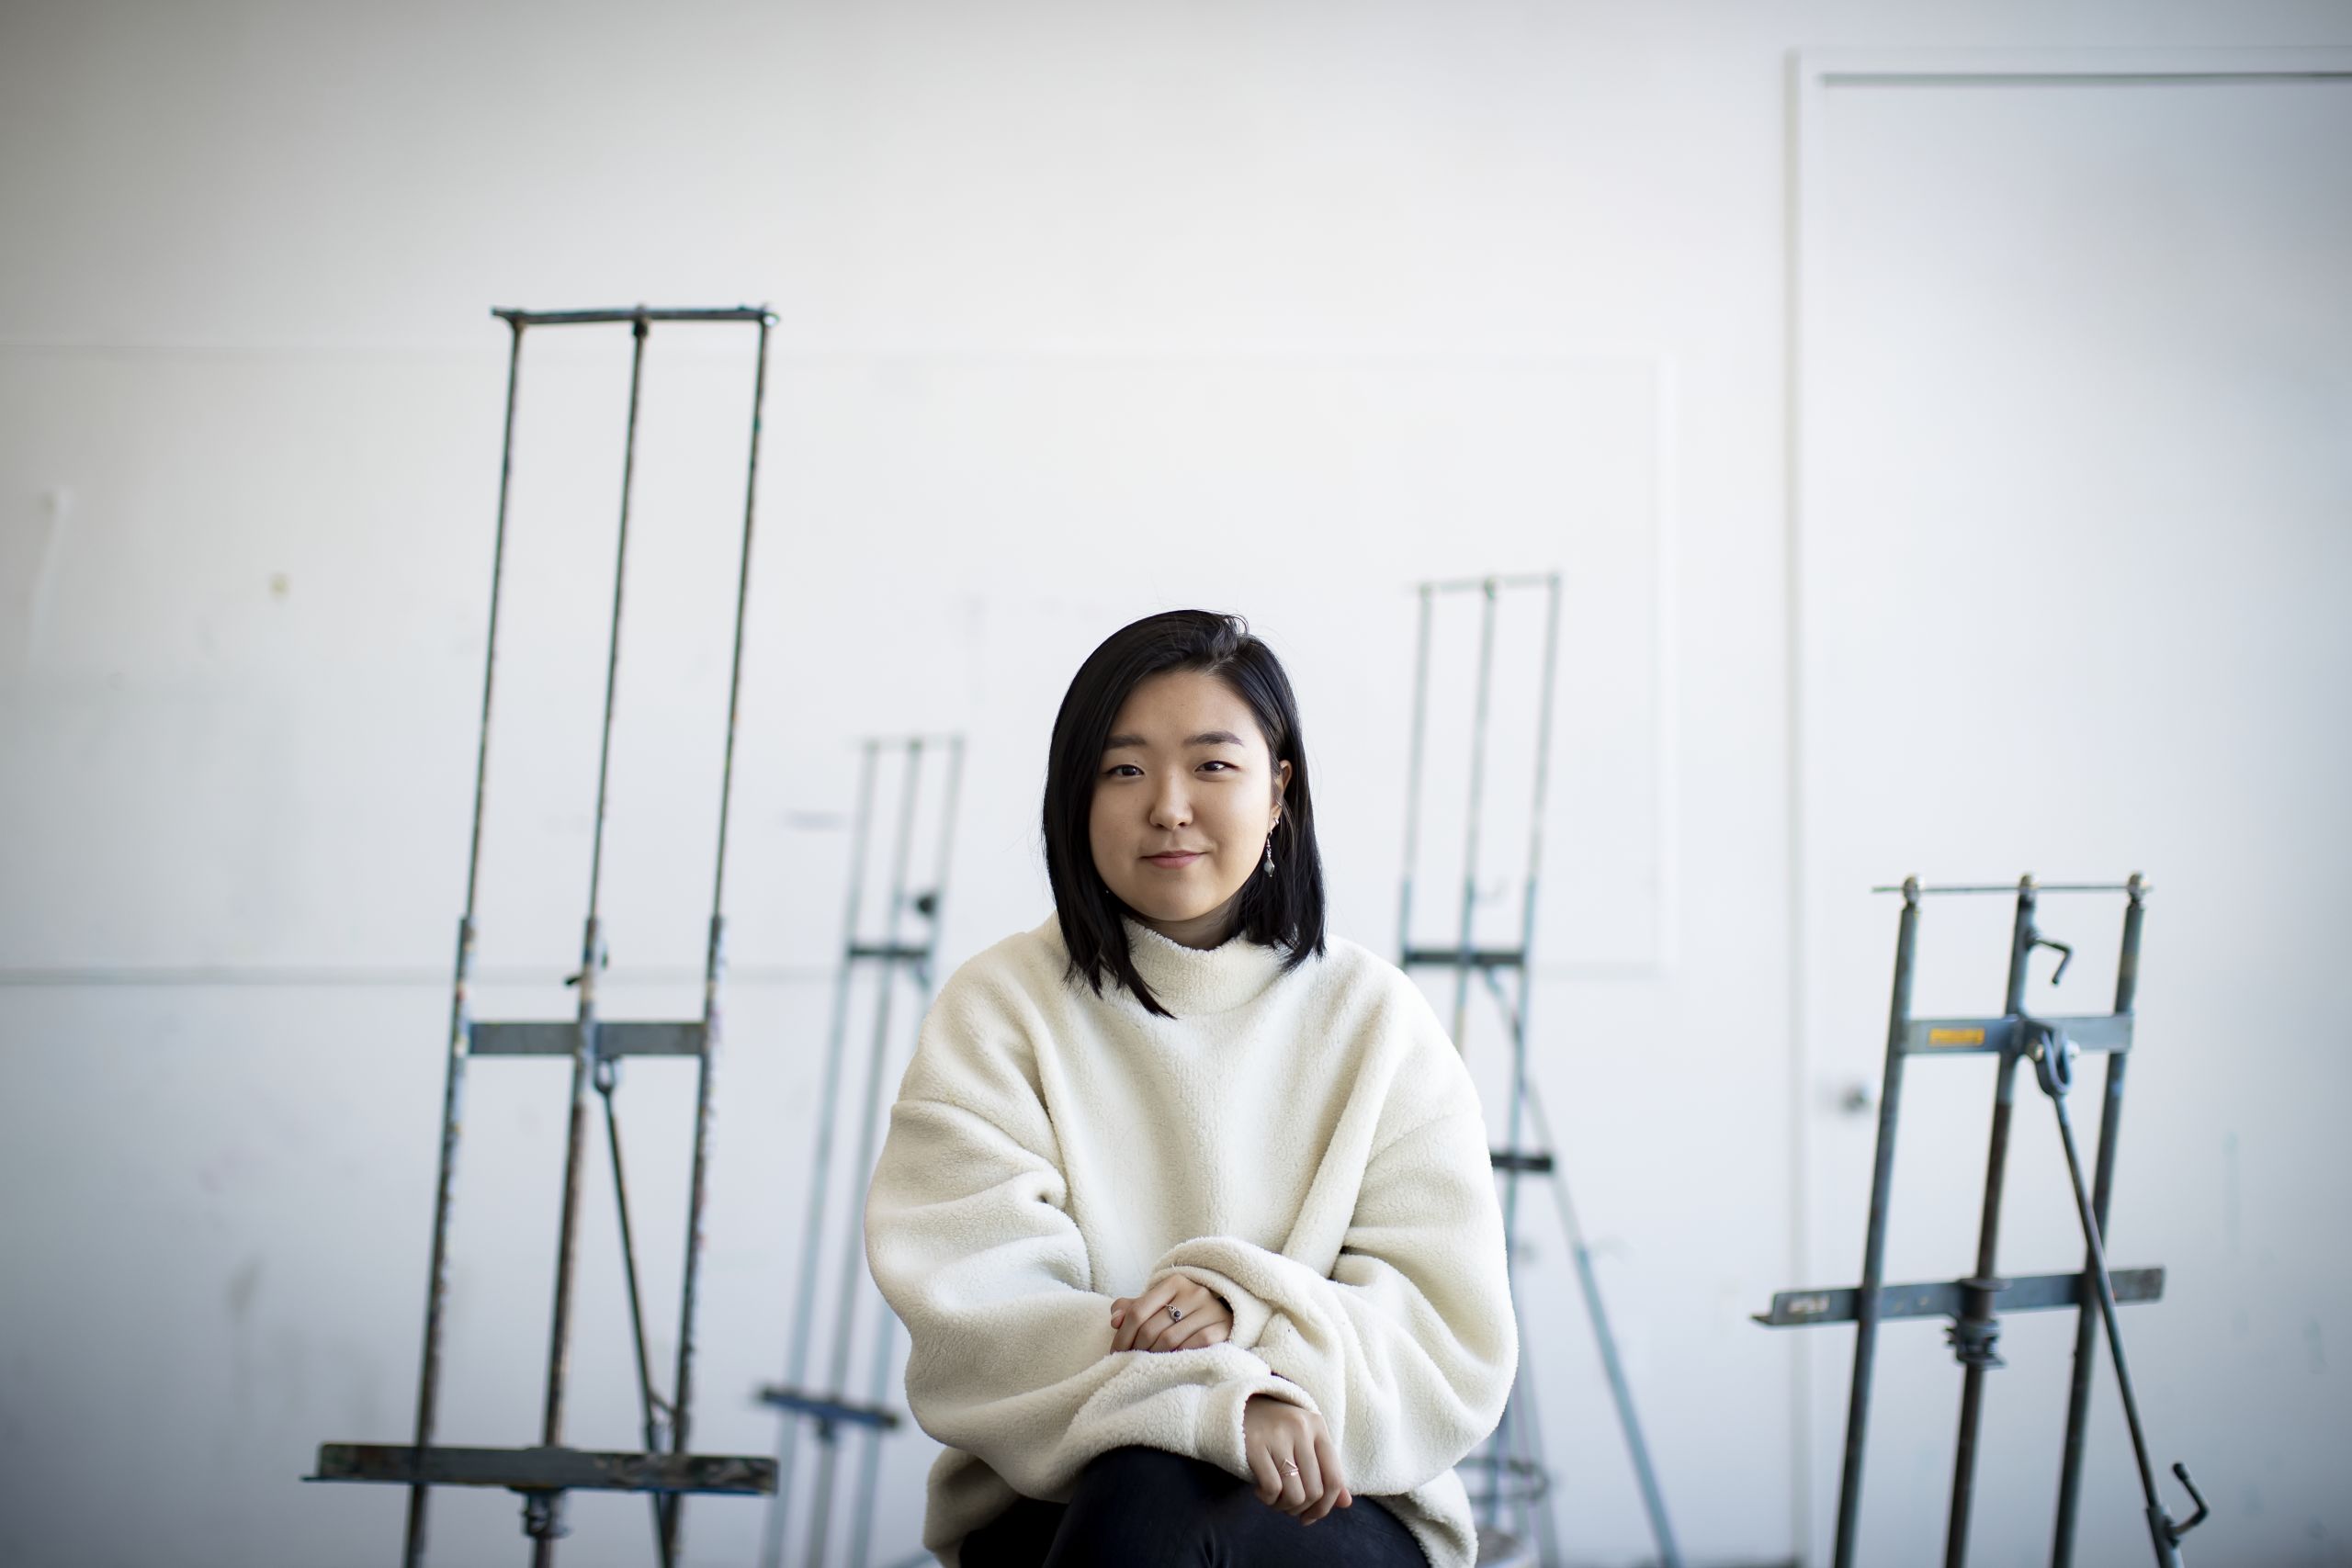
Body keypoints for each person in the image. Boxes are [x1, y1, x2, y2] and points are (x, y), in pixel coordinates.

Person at [864, 609, 1518, 1567]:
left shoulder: (1377, 1019)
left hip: (1335, 1488)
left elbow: (1445, 1336)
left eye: (1212, 765)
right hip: (1060, 1494)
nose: (1168, 805)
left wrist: (1244, 1312)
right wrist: (1212, 1404)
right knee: (1147, 1482)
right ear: (1075, 797)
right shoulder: (998, 1008)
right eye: (1123, 770)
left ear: (1279, 791)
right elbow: (975, 1315)